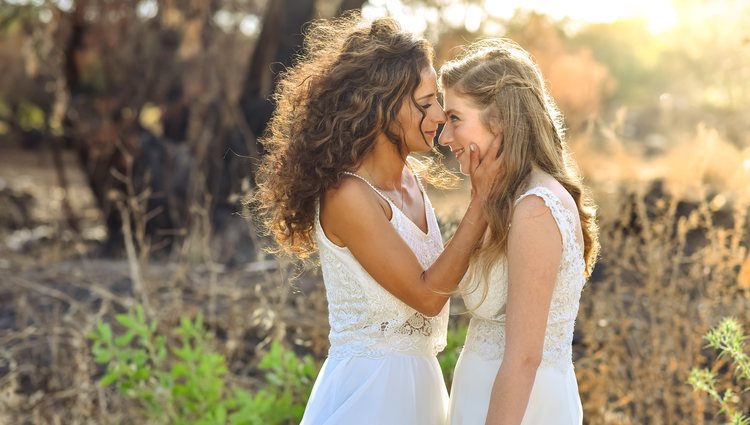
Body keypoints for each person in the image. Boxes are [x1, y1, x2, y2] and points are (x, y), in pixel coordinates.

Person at [253, 15, 502, 425]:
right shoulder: (346, 196)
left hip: (422, 387)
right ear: (380, 107)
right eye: (425, 104)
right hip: (370, 395)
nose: (440, 115)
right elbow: (427, 295)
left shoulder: (412, 181)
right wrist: (481, 202)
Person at [438, 38, 600, 425]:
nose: (444, 138)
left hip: (521, 410)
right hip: (483, 397)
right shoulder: (506, 200)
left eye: (455, 119)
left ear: (501, 120)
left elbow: (525, 358)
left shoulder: (535, 209)